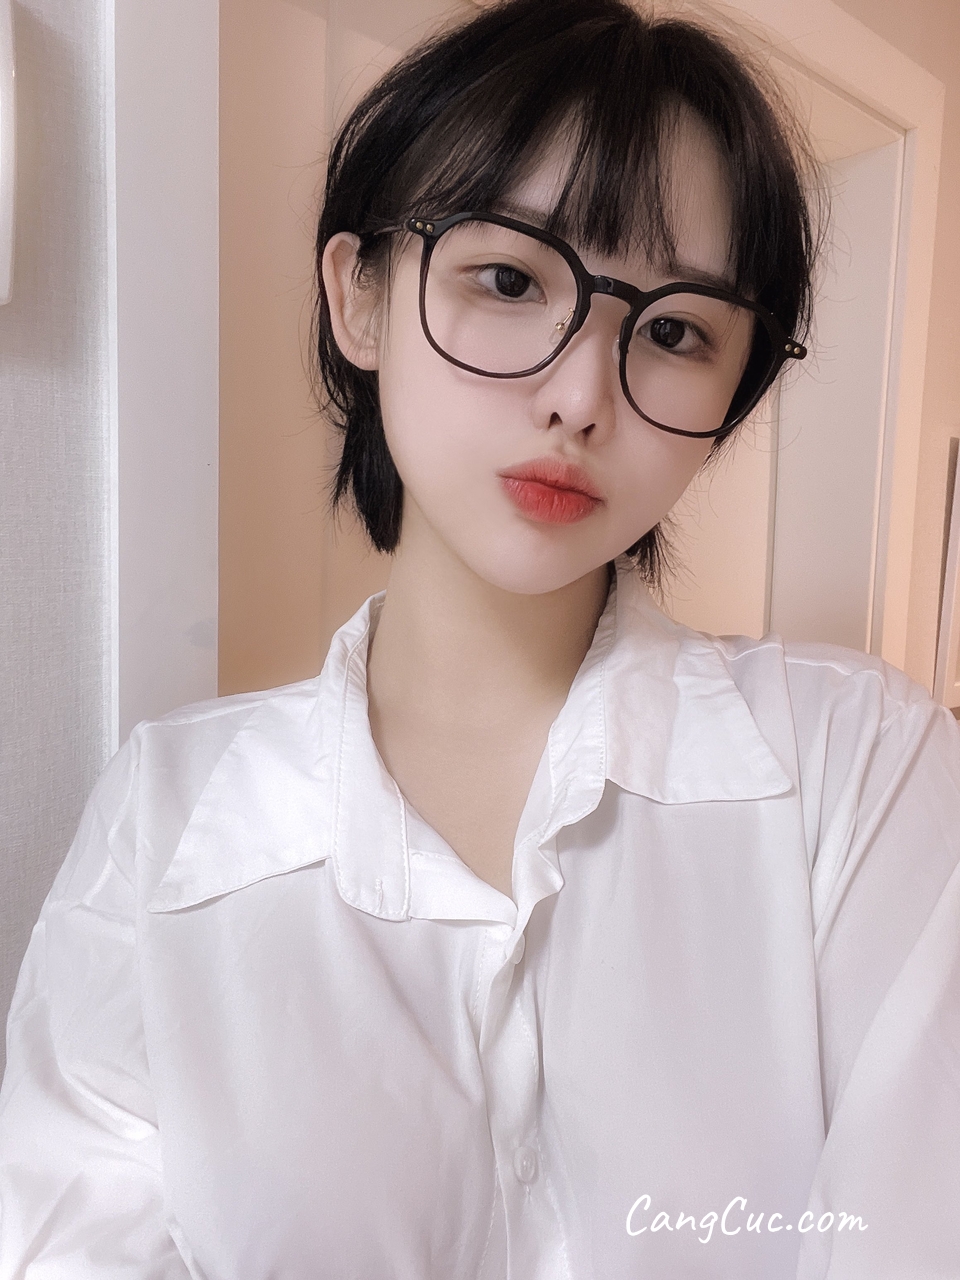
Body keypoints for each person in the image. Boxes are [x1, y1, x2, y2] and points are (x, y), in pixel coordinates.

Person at [1, 0, 958, 1276]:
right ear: (359, 296)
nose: (582, 395)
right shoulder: (165, 821)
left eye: (675, 330)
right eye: (509, 279)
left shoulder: (865, 768)